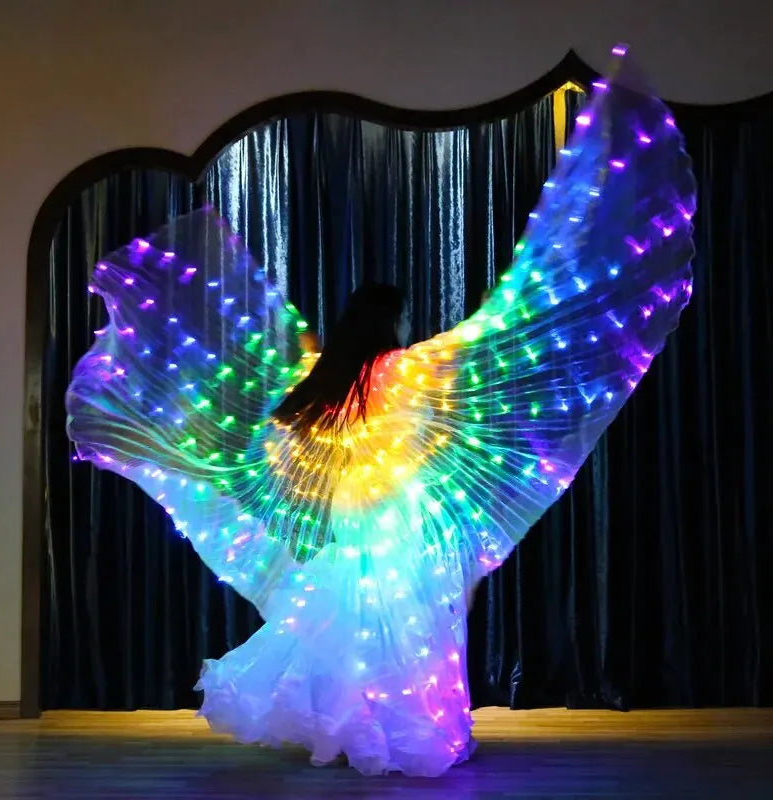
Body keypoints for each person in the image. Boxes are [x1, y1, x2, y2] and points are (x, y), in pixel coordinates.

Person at [66, 49, 695, 777]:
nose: (402, 328)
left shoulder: (317, 381)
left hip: (351, 517)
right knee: (402, 634)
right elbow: (479, 348)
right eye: (397, 320)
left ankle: (350, 731)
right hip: (395, 517)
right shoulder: (400, 370)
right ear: (386, 325)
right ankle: (387, 734)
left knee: (354, 631)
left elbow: (282, 444)